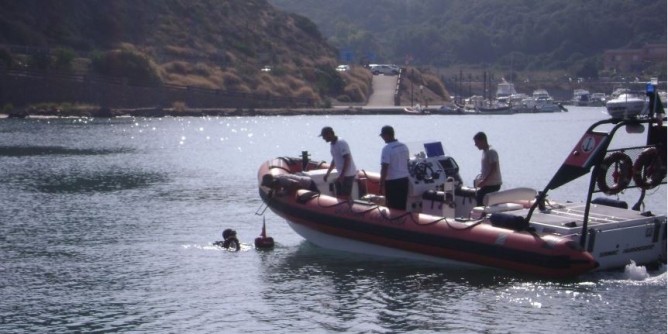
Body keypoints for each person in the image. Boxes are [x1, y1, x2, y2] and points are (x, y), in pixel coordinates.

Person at [319, 126, 357, 200]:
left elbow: (347, 159)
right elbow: (334, 160)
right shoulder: (332, 144)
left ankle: (350, 209)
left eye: (324, 136)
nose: (323, 138)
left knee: (346, 195)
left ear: (329, 134)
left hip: (348, 174)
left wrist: (342, 175)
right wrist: (328, 173)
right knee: (338, 190)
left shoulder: (341, 142)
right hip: (342, 174)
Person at [379, 125, 410, 210]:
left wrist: (381, 183)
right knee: (402, 205)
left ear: (386, 135)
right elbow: (407, 162)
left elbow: (384, 167)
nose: (382, 138)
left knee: (392, 206)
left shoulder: (386, 149)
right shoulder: (404, 146)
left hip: (393, 182)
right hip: (404, 180)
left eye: (382, 136)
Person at [473, 131, 502, 206]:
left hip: (493, 184)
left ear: (482, 141)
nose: (475, 145)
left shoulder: (491, 152)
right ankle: (482, 214)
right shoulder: (484, 152)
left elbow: (494, 169)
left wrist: (484, 181)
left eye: (477, 142)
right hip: (487, 184)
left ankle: (481, 215)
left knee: (480, 196)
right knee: (478, 194)